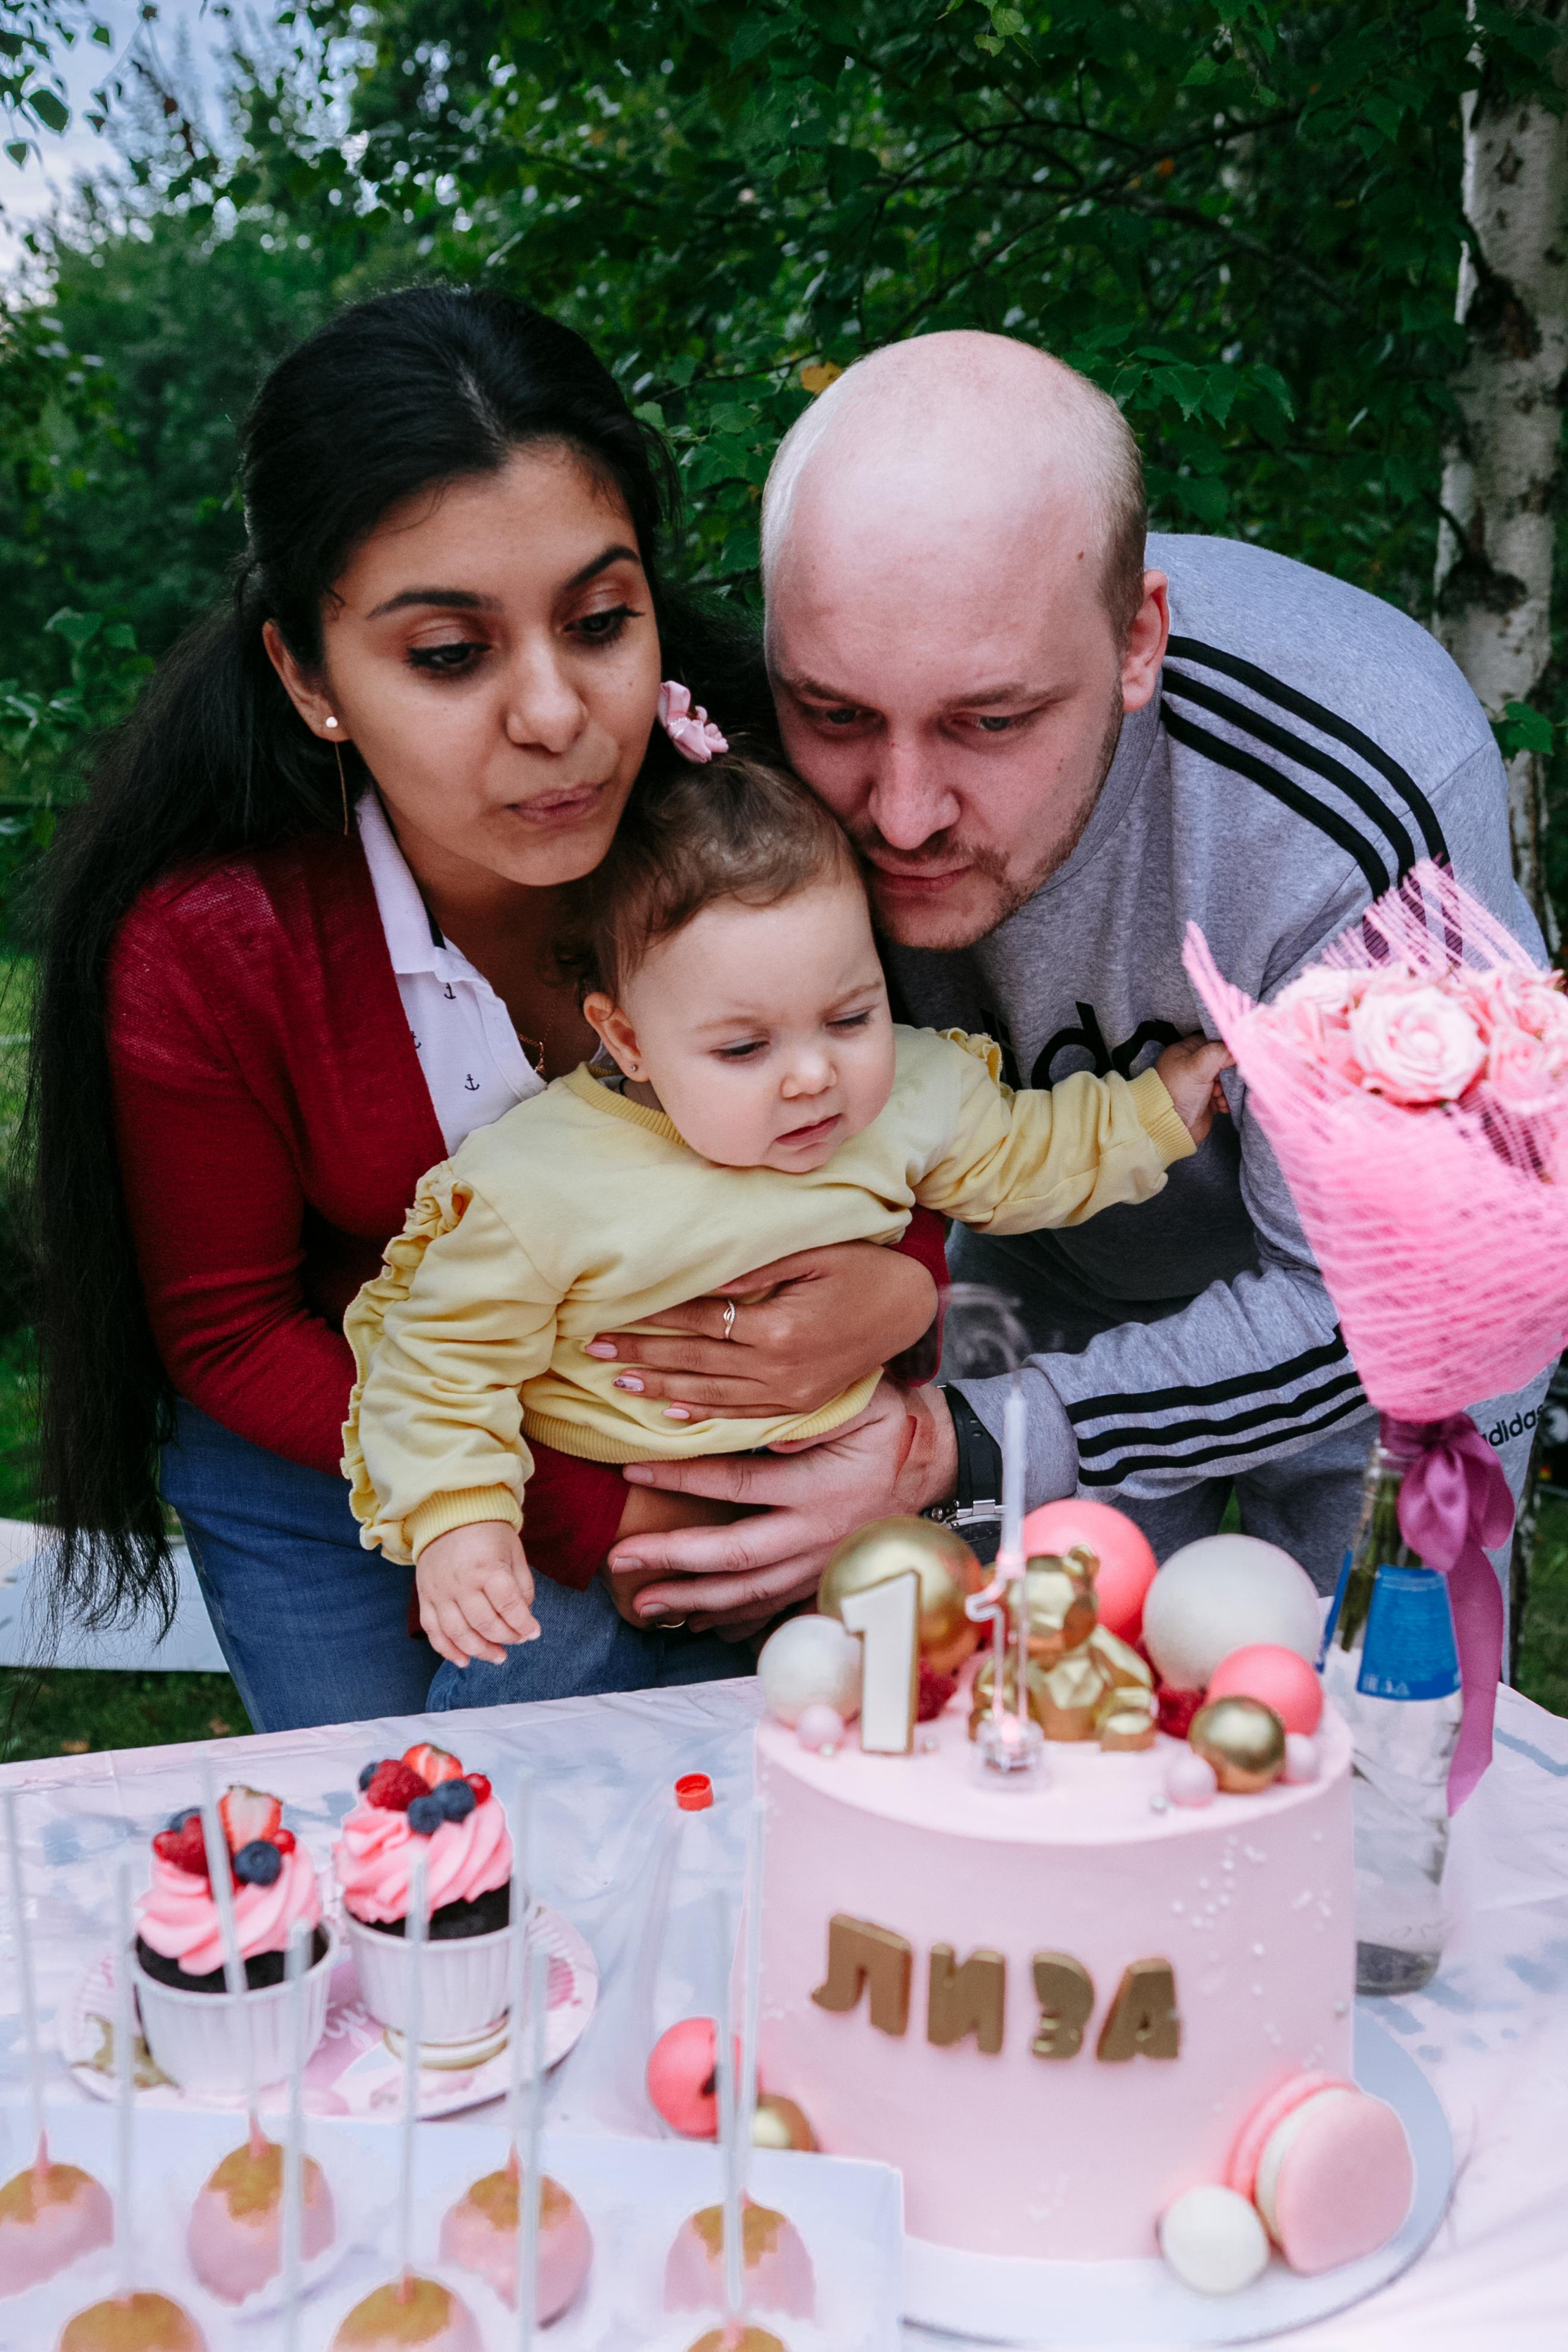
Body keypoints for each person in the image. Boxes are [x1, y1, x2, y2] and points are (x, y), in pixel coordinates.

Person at [25, 287, 947, 1733]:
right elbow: (229, 1333)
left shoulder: (761, 832)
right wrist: (592, 1503)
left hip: (707, 1423)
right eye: (450, 654)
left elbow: (915, 1103)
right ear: (306, 675)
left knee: (761, 1820)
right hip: (330, 1444)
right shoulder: (213, 951)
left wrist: (905, 1298)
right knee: (410, 1845)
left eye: (599, 622)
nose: (554, 714)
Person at [600, 330, 1548, 1632]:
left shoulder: (1355, 806)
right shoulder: (736, 765)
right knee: (1009, 1698)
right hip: (1039, 1274)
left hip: (1394, 1338)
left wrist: (962, 1444)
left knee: (1371, 1719)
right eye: (837, 715)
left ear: (1136, 641)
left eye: (990, 722)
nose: (903, 814)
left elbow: (1378, 1300)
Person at [341, 753, 1229, 1670]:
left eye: (850, 1019)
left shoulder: (914, 1094)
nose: (812, 1076)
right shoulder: (545, 1181)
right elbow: (443, 1360)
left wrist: (1154, 1113)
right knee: (540, 1702)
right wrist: (464, 1521)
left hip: (842, 1492)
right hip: (605, 1526)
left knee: (903, 1691)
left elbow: (1027, 1156)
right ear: (629, 1040)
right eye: (744, 1048)